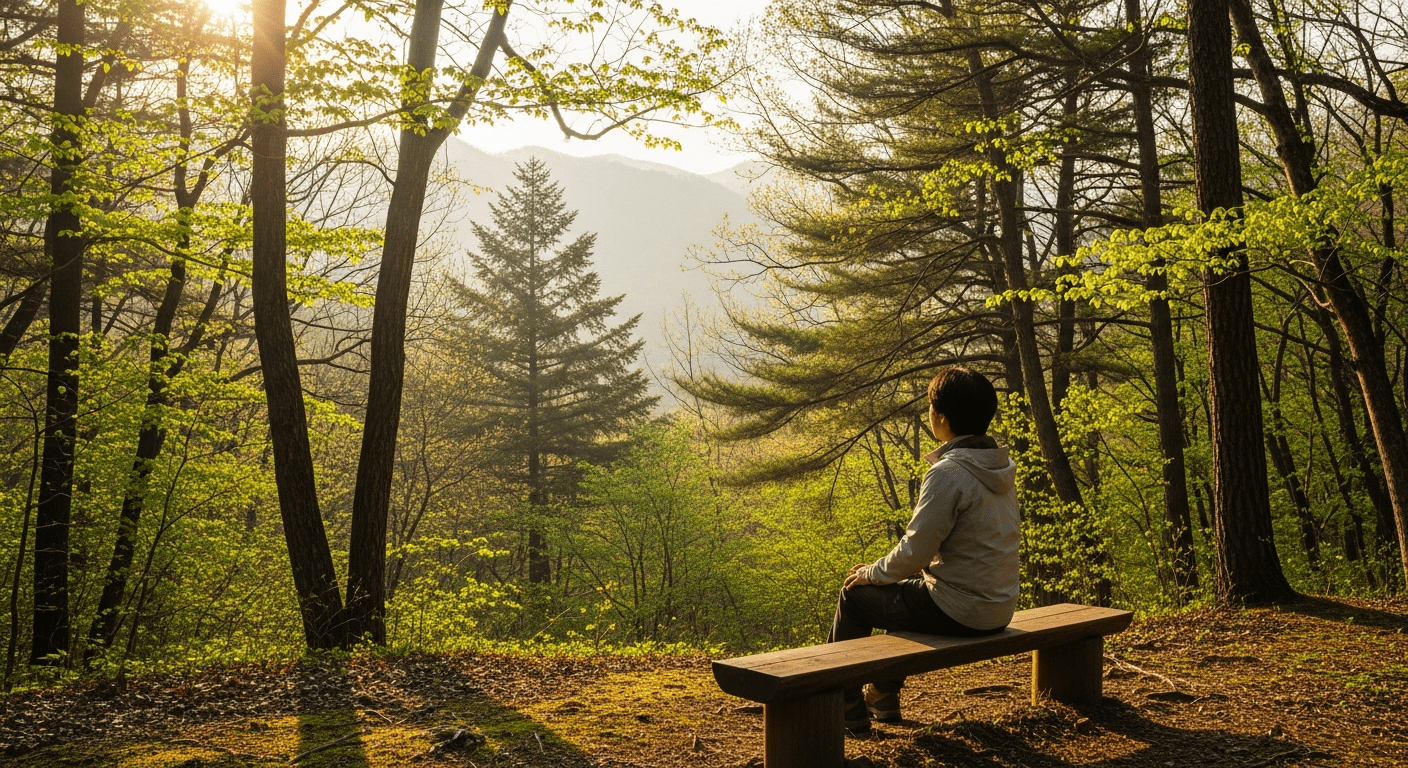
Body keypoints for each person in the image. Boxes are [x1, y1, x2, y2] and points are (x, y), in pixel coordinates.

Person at [830, 367, 1020, 733]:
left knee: (855, 597)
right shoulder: (999, 467)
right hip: (999, 606)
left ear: (943, 417)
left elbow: (915, 552)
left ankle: (843, 701)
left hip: (961, 610)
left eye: (931, 408)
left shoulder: (950, 472)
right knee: (906, 594)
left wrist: (869, 572)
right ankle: (883, 694)